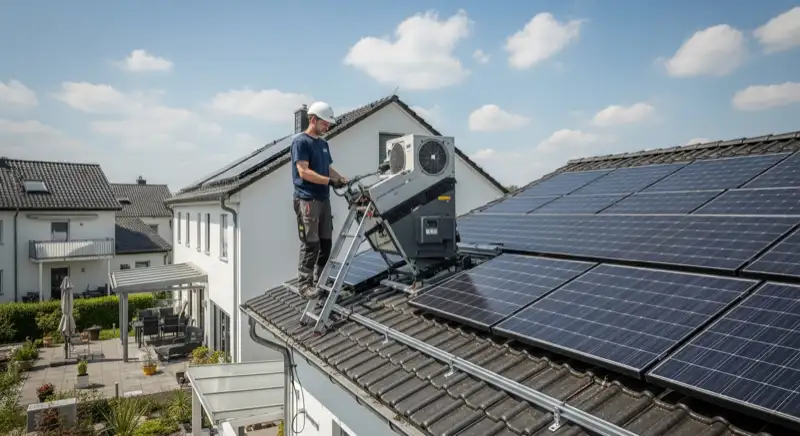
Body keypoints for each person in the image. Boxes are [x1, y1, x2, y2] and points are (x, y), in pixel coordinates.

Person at [291, 101, 348, 299]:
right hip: (307, 200)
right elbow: (304, 172)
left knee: (326, 243)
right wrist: (330, 181)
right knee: (310, 243)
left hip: (323, 199)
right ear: (313, 120)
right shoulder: (301, 142)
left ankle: (319, 280)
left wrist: (339, 178)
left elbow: (328, 169)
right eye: (325, 123)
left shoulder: (323, 144)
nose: (328, 127)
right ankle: (304, 285)